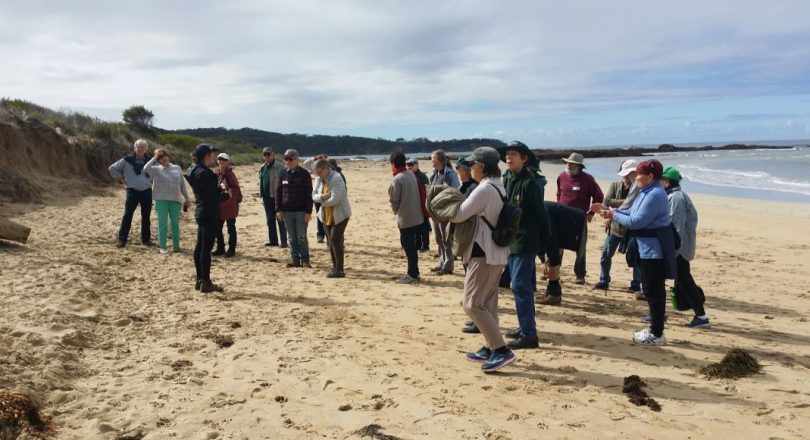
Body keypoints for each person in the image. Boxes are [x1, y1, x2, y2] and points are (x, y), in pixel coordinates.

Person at [595, 159, 675, 346]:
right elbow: (630, 213)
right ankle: (655, 329)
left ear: (650, 177)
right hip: (646, 249)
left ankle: (656, 334)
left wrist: (613, 215)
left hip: (654, 252)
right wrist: (609, 211)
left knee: (654, 292)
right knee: (649, 289)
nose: (636, 178)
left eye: (639, 175)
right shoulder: (645, 192)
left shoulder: (654, 194)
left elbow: (636, 222)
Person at [451, 147, 516, 372]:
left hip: (484, 253)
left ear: (482, 167)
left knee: (471, 304)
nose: (470, 169)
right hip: (495, 252)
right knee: (488, 303)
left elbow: (459, 213)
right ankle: (490, 347)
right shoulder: (498, 185)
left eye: (473, 165)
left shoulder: (485, 189)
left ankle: (500, 350)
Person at [499, 141, 550, 350]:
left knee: (519, 286)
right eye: (507, 154)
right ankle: (525, 327)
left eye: (514, 154)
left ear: (524, 158)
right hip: (511, 242)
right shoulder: (507, 179)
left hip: (526, 242)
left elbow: (542, 217)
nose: (509, 158)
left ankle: (529, 335)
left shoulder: (530, 184)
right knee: (523, 287)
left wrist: (547, 252)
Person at [662, 167, 710, 328]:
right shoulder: (674, 196)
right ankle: (700, 315)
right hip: (680, 248)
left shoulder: (676, 198)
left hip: (679, 250)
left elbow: (676, 228)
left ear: (667, 182)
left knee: (685, 282)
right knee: (684, 281)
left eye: (660, 180)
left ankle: (701, 316)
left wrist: (672, 250)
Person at [186, 144, 230, 293]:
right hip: (208, 211)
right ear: (206, 156)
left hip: (201, 209)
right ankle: (206, 281)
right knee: (206, 248)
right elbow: (213, 197)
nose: (213, 157)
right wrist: (226, 195)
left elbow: (207, 191)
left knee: (200, 246)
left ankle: (200, 280)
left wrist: (217, 189)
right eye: (212, 155)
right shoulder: (204, 173)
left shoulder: (192, 169)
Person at [594, 159, 643, 292]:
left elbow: (630, 205)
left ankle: (635, 284)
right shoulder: (616, 185)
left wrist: (616, 206)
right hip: (615, 227)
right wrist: (623, 203)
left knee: (635, 257)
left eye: (628, 174)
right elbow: (608, 200)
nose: (626, 177)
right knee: (606, 254)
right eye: (624, 174)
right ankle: (604, 280)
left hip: (631, 228)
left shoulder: (638, 187)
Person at [556, 152, 603, 284]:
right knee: (557, 245)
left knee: (580, 248)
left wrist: (591, 213)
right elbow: (559, 194)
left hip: (579, 218)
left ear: (579, 166)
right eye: (568, 163)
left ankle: (580, 275)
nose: (569, 165)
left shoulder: (588, 179)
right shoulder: (561, 176)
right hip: (561, 217)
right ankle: (554, 271)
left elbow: (598, 196)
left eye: (572, 163)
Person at [143, 148, 191, 253]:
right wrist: (155, 156)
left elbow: (182, 185)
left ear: (168, 157)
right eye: (161, 157)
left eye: (165, 156)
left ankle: (176, 246)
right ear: (158, 160)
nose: (164, 158)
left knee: (175, 224)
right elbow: (145, 168)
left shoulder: (177, 168)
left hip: (176, 200)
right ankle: (163, 247)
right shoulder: (155, 169)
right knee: (162, 224)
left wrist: (187, 198)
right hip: (161, 201)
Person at [389, 151, 426, 284]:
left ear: (393, 164)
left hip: (406, 219)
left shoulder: (397, 179)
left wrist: (395, 210)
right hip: (418, 217)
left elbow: (394, 201)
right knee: (412, 248)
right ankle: (414, 272)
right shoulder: (411, 174)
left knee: (409, 247)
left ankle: (412, 274)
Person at [109, 139, 153, 248]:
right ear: (135, 148)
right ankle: (122, 240)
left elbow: (160, 170)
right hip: (132, 191)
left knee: (146, 217)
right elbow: (112, 168)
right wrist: (121, 179)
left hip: (147, 191)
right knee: (127, 216)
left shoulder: (150, 161)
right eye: (138, 147)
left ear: (145, 149)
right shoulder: (127, 159)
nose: (140, 149)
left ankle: (146, 240)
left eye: (143, 147)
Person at [312, 159, 351, 278]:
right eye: (316, 173)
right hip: (325, 215)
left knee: (335, 239)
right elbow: (313, 196)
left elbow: (336, 199)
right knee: (330, 241)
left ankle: (340, 269)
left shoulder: (337, 178)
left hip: (341, 214)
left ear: (326, 168)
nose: (317, 175)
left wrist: (322, 202)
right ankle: (335, 267)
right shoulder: (319, 179)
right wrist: (323, 196)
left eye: (319, 172)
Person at [276, 149, 314, 268]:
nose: (288, 161)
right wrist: (278, 210)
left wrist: (308, 211)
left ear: (297, 159)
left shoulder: (304, 173)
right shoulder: (282, 173)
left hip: (301, 211)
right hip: (287, 211)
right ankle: (295, 259)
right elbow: (278, 192)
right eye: (286, 159)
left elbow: (309, 194)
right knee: (291, 237)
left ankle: (305, 260)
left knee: (301, 237)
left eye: (290, 159)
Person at [429, 149, 460, 275]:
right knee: (438, 238)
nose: (431, 160)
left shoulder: (450, 174)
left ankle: (448, 266)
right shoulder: (434, 174)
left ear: (439, 160)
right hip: (435, 212)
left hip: (445, 211)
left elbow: (456, 191)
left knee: (446, 239)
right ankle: (442, 263)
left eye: (433, 158)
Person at [213, 153, 241, 257]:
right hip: (219, 206)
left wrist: (228, 189)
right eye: (219, 160)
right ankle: (220, 248)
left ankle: (231, 250)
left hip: (229, 206)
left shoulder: (230, 174)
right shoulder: (217, 173)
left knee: (231, 228)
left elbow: (236, 188)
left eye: (223, 160)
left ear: (227, 161)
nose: (221, 162)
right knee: (217, 228)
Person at [259, 147, 287, 248]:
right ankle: (273, 240)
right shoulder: (262, 167)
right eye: (264, 154)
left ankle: (284, 242)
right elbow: (262, 182)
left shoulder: (281, 167)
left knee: (280, 219)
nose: (266, 156)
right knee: (270, 220)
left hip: (278, 198)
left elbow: (286, 183)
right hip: (266, 198)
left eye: (268, 154)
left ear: (273, 154)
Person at [406, 158, 431, 253]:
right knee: (415, 226)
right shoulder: (407, 176)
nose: (409, 166)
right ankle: (417, 245)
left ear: (417, 165)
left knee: (424, 226)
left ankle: (425, 245)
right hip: (412, 205)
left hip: (422, 204)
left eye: (411, 164)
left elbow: (427, 191)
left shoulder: (422, 176)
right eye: (407, 164)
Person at [304, 154, 328, 244]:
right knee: (319, 216)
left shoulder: (327, 169)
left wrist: (324, 159)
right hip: (317, 196)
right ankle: (320, 235)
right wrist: (314, 158)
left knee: (328, 216)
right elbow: (305, 163)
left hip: (327, 196)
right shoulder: (315, 169)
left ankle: (328, 235)